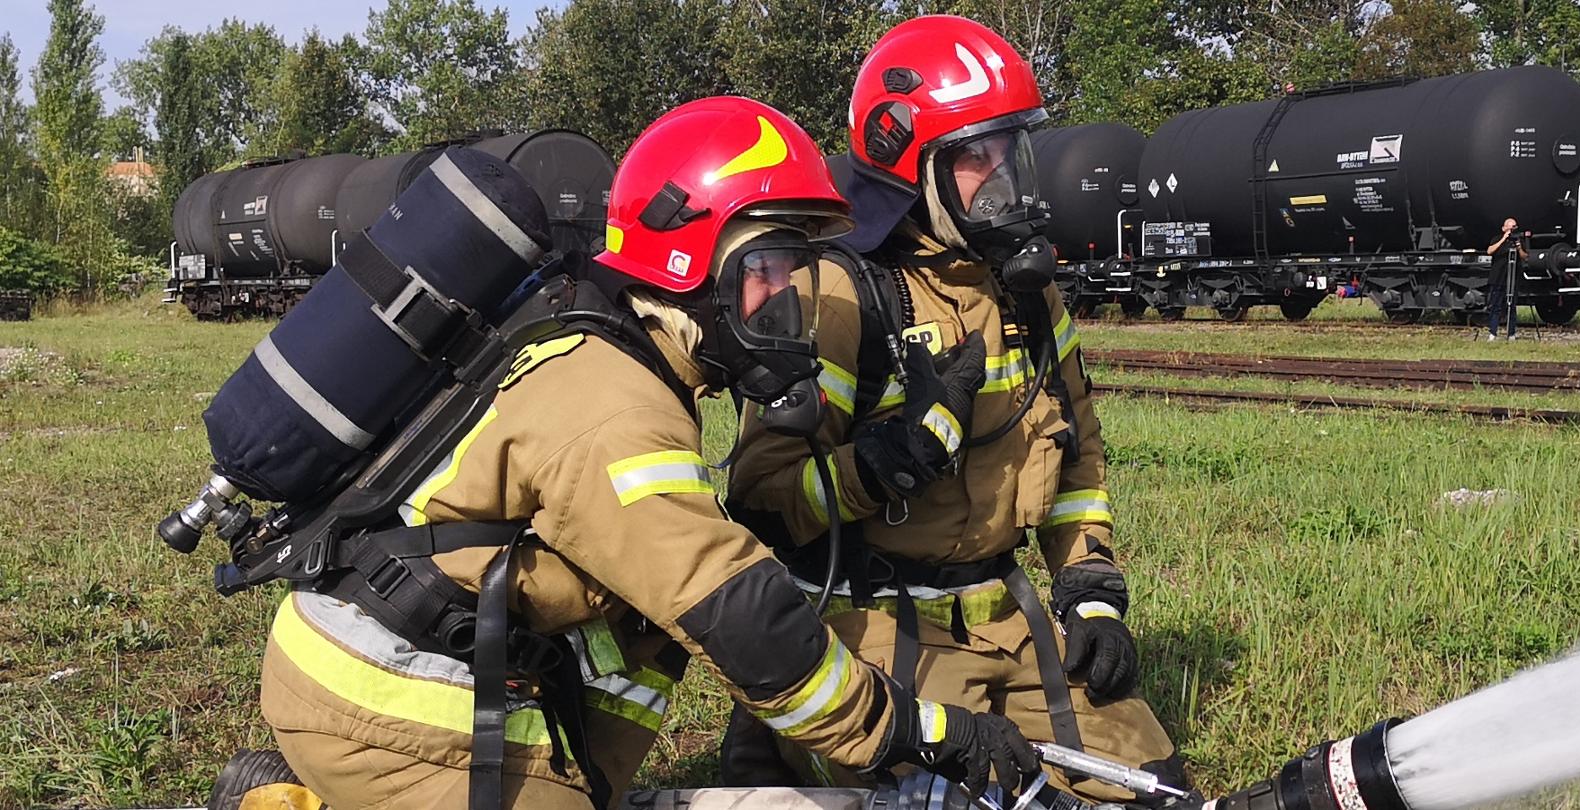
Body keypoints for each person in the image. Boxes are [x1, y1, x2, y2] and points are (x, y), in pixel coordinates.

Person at [217, 97, 1038, 810]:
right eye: (764, 267)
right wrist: (921, 730)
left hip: (386, 664)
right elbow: (744, 618)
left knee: (645, 628)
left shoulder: (623, 346)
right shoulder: (615, 409)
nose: (787, 297)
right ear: (689, 260)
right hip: (384, 710)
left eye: (795, 268)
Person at [718, 16, 1188, 805]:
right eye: (975, 156)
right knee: (960, 796)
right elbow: (763, 498)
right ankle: (773, 734)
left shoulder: (1028, 293)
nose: (1004, 176)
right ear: (911, 167)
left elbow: (1078, 460)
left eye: (1012, 150)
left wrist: (1094, 595)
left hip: (1010, 618)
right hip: (878, 623)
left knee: (1156, 787)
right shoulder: (842, 295)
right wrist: (879, 464)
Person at [1485, 218, 1529, 340]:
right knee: (1495, 306)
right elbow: (1489, 251)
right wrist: (1504, 239)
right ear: (1504, 228)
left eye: (1514, 227)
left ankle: (1511, 333)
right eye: (1510, 227)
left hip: (1513, 278)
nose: (1512, 229)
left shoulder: (1519, 240)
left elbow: (1525, 257)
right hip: (1498, 278)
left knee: (1512, 306)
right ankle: (1493, 333)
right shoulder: (1497, 238)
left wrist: (1519, 248)